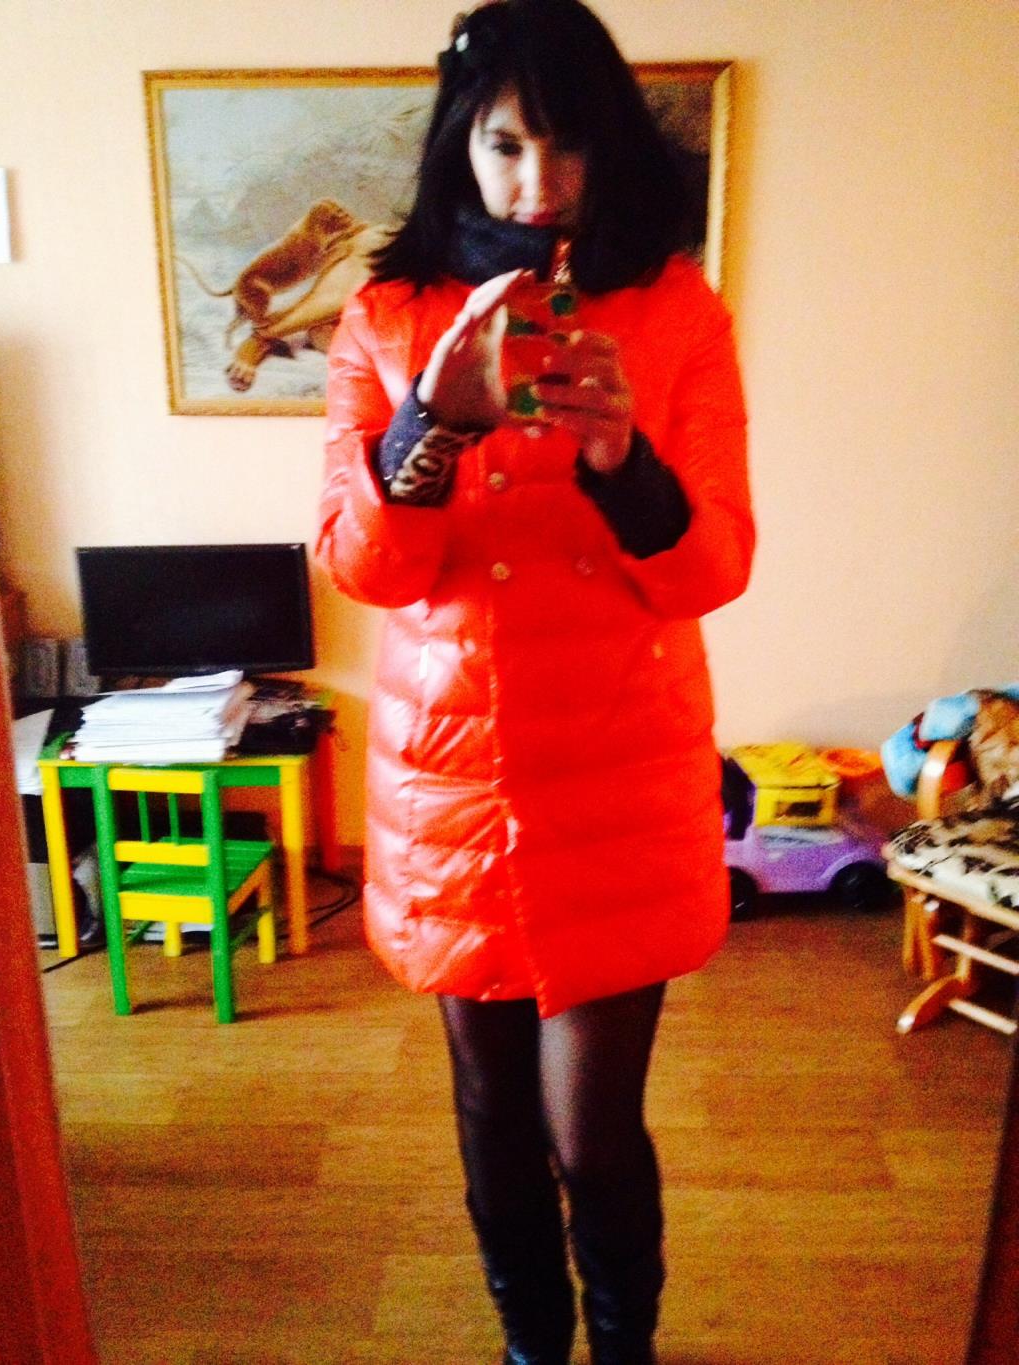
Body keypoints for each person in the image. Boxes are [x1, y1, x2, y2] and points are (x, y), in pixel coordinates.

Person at [316, 2, 754, 1361]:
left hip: (619, 766)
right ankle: (530, 1346)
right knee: (490, 1109)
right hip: (451, 779)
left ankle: (623, 1346)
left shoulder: (676, 310)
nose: (537, 183)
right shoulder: (384, 316)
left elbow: (714, 565)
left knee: (591, 1126)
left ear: (610, 148)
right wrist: (429, 426)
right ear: (464, 143)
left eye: (567, 147)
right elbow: (362, 567)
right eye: (507, 145)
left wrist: (624, 459)